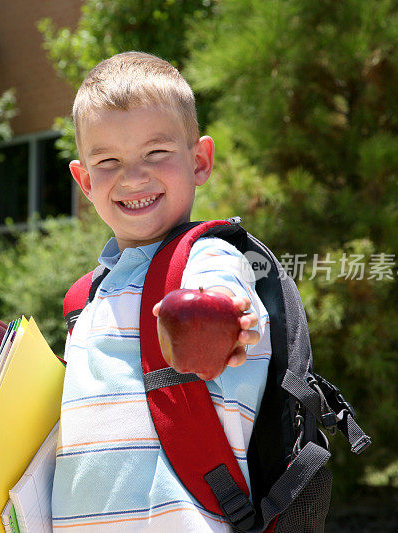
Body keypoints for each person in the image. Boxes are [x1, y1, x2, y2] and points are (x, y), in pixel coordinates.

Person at [51, 51, 272, 532]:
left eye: (156, 153)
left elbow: (221, 295)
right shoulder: (85, 299)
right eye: (108, 161)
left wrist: (229, 323)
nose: (133, 176)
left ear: (199, 161)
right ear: (85, 181)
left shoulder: (207, 257)